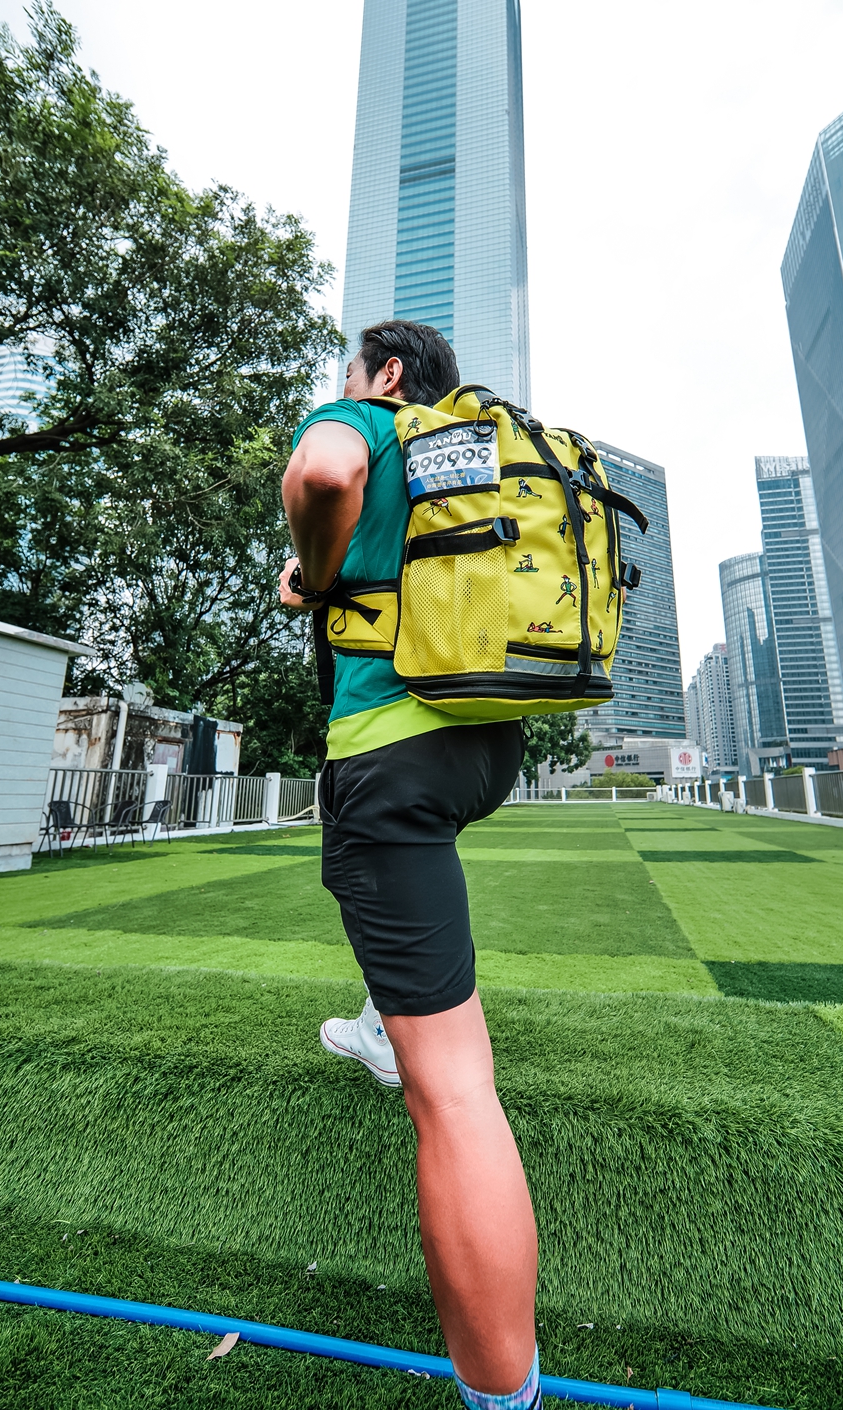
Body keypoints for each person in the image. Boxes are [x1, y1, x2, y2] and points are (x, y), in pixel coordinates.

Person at [279, 321, 540, 1410]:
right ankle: (383, 1019)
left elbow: (321, 474)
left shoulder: (373, 421)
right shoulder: (467, 453)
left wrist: (314, 574)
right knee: (388, 893)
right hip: (486, 744)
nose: (345, 386)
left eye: (354, 371)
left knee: (457, 1091)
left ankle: (503, 1397)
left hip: (394, 749)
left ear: (387, 374)